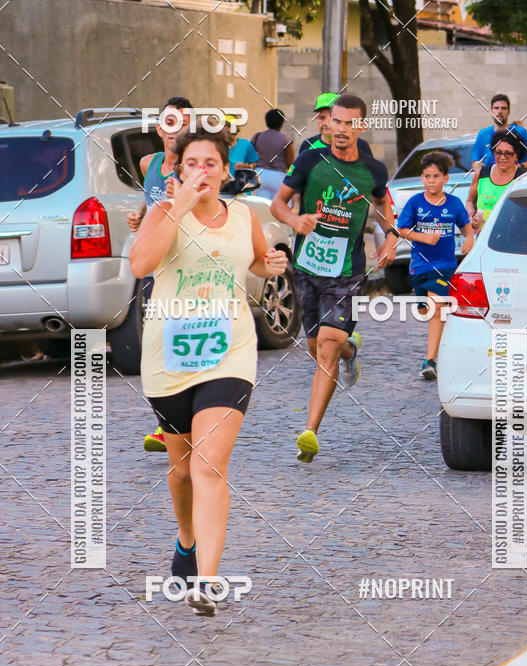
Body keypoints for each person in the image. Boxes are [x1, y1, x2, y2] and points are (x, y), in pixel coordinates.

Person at [129, 127, 287, 616]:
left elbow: (258, 262)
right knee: (180, 471)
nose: (201, 171)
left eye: (210, 163)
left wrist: (272, 263)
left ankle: (206, 580)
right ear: (179, 172)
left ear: (224, 170)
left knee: (208, 465)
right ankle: (186, 536)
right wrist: (176, 207)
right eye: (192, 163)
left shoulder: (242, 216)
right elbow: (140, 265)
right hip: (169, 359)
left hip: (229, 353)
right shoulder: (162, 214)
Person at [271, 93, 398, 463]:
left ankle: (309, 432)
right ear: (329, 124)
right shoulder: (311, 159)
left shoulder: (373, 170)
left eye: (349, 123)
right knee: (317, 348)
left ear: (361, 125)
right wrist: (296, 221)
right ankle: (350, 349)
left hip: (347, 271)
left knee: (326, 347)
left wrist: (390, 237)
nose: (340, 129)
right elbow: (279, 202)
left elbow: (384, 208)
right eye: (335, 122)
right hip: (308, 269)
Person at [127, 96, 193, 453]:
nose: (175, 131)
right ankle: (170, 423)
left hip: (184, 265)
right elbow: (148, 200)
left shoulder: (192, 169)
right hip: (155, 264)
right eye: (169, 123)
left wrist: (182, 198)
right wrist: (139, 216)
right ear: (158, 128)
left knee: (178, 341)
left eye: (182, 124)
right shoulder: (148, 162)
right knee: (157, 345)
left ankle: (180, 422)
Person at [397, 151, 474, 381]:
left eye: (436, 176)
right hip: (419, 267)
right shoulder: (415, 203)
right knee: (426, 311)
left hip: (444, 266)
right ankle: (445, 334)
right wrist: (424, 237)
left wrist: (469, 239)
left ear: (446, 178)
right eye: (427, 176)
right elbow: (402, 230)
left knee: (436, 307)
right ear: (422, 178)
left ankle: (430, 360)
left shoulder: (454, 204)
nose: (431, 180)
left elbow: (466, 228)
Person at [466, 130, 525, 232]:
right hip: (483, 239)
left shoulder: (522, 179)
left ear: (516, 155)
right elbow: (469, 201)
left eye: (508, 153)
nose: (502, 157)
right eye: (498, 152)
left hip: (512, 239)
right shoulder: (481, 175)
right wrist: (472, 216)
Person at [471, 94, 527, 173]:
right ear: (491, 111)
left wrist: (519, 167)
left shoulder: (520, 132)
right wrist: (476, 166)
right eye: (496, 108)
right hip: (491, 181)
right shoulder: (483, 134)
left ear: (509, 111)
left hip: (515, 181)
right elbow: (475, 162)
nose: (499, 111)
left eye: (503, 108)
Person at [298, 92, 373, 157]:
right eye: (322, 117)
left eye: (332, 118)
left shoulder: (360, 145)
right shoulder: (308, 145)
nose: (326, 123)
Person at [250, 108, 295, 199]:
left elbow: (251, 156)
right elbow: (290, 163)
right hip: (278, 177)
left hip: (260, 175)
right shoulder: (286, 140)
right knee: (281, 207)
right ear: (281, 122)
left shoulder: (258, 136)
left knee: (263, 208)